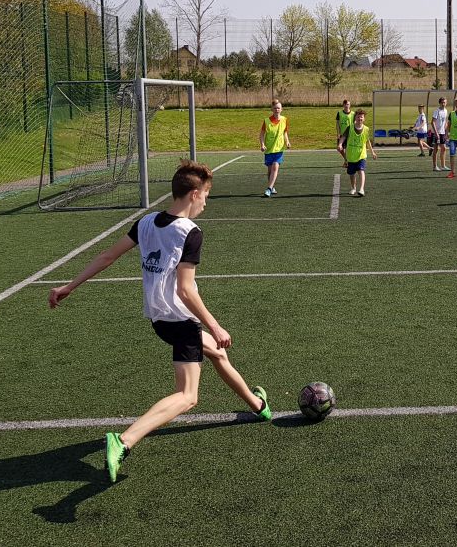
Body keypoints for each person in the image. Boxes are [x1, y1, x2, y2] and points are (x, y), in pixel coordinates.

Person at [48, 160, 271, 483]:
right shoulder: (190, 232)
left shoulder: (147, 222)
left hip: (159, 319)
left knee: (218, 354)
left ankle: (257, 405)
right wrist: (214, 324)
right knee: (188, 396)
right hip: (181, 320)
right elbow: (185, 290)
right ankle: (124, 440)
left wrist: (69, 286)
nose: (206, 202)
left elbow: (107, 256)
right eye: (206, 195)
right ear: (194, 194)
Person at [338, 108, 377, 196]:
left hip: (361, 155)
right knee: (352, 174)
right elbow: (343, 137)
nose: (360, 118)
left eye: (361, 117)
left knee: (361, 170)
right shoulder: (350, 128)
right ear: (355, 118)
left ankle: (361, 189)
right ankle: (353, 188)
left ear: (364, 118)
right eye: (358, 117)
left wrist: (372, 152)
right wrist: (340, 144)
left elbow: (367, 142)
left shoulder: (366, 129)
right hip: (351, 155)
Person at [258, 99, 290, 197]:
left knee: (275, 167)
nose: (277, 110)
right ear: (272, 109)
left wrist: (287, 141)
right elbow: (261, 134)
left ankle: (268, 189)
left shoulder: (284, 120)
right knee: (270, 170)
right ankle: (272, 187)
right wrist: (262, 144)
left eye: (278, 108)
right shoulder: (266, 121)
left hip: (279, 149)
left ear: (281, 109)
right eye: (275, 108)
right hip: (269, 149)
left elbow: (285, 132)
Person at [431, 96, 450, 172]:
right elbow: (432, 122)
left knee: (444, 148)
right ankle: (435, 166)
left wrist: (446, 133)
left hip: (442, 133)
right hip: (436, 133)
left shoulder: (446, 111)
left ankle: (443, 166)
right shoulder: (437, 111)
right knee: (436, 149)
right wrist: (436, 133)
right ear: (439, 103)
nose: (443, 104)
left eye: (444, 102)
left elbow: (445, 122)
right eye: (442, 102)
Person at [336, 99, 355, 167]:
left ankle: (347, 162)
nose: (347, 106)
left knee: (348, 149)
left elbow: (355, 124)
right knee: (339, 148)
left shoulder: (353, 114)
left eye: (348, 104)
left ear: (350, 105)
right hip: (342, 134)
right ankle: (346, 160)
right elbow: (337, 124)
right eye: (345, 104)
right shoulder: (339, 113)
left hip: (350, 134)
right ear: (343, 105)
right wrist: (338, 133)